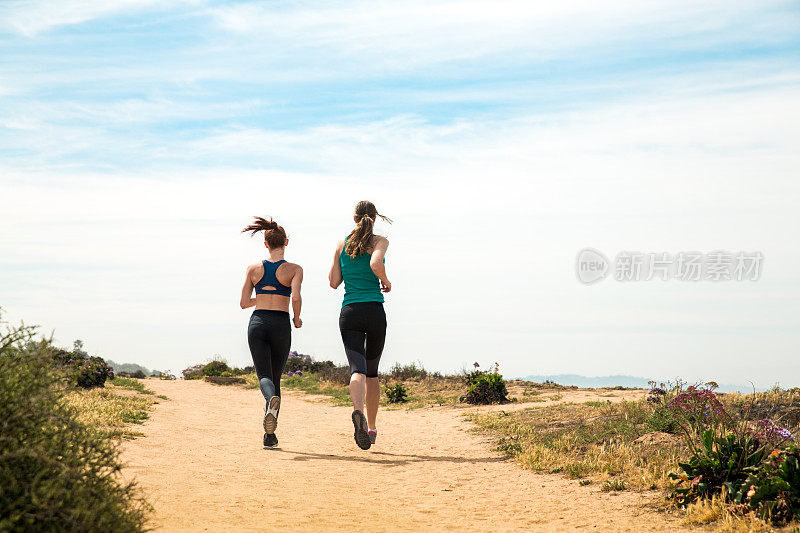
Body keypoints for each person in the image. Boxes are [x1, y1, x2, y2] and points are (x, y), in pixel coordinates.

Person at [328, 201, 392, 450]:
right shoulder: (379, 241)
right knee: (373, 374)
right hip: (374, 310)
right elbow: (376, 265)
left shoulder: (341, 244)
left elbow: (334, 281)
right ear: (374, 219)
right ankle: (372, 428)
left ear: (354, 218)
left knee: (358, 369)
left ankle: (358, 412)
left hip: (350, 312)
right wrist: (385, 280)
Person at [240, 217, 303, 448]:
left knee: (263, 376)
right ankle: (269, 435)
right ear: (286, 242)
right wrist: (297, 318)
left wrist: (263, 296)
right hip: (280, 324)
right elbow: (295, 297)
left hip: (257, 323)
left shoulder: (253, 269)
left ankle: (269, 403)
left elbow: (244, 302)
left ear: (265, 244)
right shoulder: (294, 270)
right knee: (276, 378)